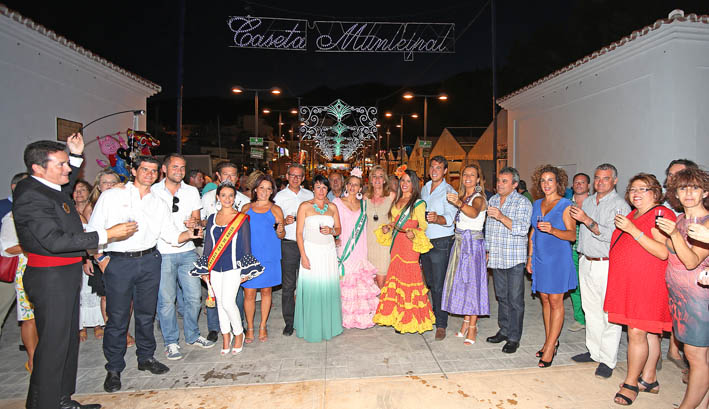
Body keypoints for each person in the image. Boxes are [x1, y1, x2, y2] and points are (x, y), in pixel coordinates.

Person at [14, 135, 137, 409]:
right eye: (62, 164)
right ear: (38, 168)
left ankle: (62, 399)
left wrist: (76, 154)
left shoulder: (48, 188)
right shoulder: (30, 195)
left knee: (67, 342)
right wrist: (105, 234)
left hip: (64, 275)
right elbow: (54, 241)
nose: (68, 170)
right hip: (49, 278)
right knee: (53, 346)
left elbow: (64, 189)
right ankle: (44, 404)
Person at [88, 155, 202, 393]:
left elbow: (171, 234)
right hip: (118, 261)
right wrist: (100, 259)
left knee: (146, 314)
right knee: (118, 318)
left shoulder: (158, 202)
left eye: (152, 171)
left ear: (158, 173)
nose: (149, 174)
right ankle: (114, 368)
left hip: (150, 260)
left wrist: (190, 234)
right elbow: (94, 230)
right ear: (134, 170)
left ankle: (146, 358)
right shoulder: (113, 196)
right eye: (144, 169)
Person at [603, 173, 675, 405]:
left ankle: (631, 383)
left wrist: (633, 230)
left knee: (636, 333)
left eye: (643, 189)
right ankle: (649, 379)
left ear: (655, 192)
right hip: (631, 283)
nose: (636, 193)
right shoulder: (633, 214)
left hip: (648, 284)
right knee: (650, 334)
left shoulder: (661, 214)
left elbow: (663, 251)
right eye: (633, 189)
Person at [570, 163, 630, 378]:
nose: (600, 182)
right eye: (597, 178)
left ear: (614, 181)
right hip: (586, 260)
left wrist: (586, 220)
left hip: (607, 263)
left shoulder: (619, 205)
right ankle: (594, 351)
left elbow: (614, 235)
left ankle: (608, 359)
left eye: (605, 178)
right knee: (590, 309)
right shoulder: (587, 201)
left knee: (608, 313)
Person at [152, 154, 214, 362]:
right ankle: (171, 341)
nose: (179, 171)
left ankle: (193, 335)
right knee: (167, 301)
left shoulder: (191, 192)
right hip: (162, 252)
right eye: (175, 167)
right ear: (164, 168)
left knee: (193, 297)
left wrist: (194, 224)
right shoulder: (153, 191)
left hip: (187, 250)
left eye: (182, 167)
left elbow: (197, 219)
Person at [657, 167, 709, 409]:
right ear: (675, 193)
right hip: (680, 298)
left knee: (696, 357)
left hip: (699, 300)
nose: (689, 193)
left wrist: (673, 237)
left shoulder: (706, 223)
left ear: (705, 191)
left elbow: (691, 261)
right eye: (683, 188)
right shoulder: (679, 220)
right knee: (699, 357)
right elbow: (669, 252)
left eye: (695, 187)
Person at [373, 168, 435, 333]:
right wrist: (388, 227)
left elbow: (423, 226)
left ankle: (409, 319)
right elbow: (394, 221)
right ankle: (397, 317)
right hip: (397, 243)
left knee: (408, 279)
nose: (404, 184)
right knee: (397, 277)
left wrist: (413, 232)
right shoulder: (397, 199)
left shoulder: (418, 204)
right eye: (402, 180)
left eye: (408, 181)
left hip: (409, 244)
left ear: (414, 184)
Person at [528, 165, 577, 367]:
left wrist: (554, 230)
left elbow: (572, 235)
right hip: (540, 257)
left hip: (557, 258)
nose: (546, 184)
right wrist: (530, 257)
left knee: (556, 300)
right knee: (545, 300)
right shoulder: (537, 203)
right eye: (543, 180)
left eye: (550, 180)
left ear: (558, 183)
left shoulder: (565, 205)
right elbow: (533, 232)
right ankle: (551, 340)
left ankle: (549, 347)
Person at [202, 182, 256, 355]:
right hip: (215, 267)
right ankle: (226, 336)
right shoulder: (212, 218)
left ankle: (238, 333)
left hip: (234, 267)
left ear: (235, 198)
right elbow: (208, 245)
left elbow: (246, 247)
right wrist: (204, 268)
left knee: (227, 302)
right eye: (223, 195)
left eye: (230, 195)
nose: (227, 199)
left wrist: (246, 270)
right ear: (218, 197)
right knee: (219, 303)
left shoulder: (241, 219)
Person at [485, 167, 533, 354]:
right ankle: (504, 330)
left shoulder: (523, 203)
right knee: (501, 297)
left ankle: (514, 337)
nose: (499, 184)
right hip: (496, 256)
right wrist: (488, 249)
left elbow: (522, 229)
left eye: (505, 181)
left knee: (515, 300)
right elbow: (489, 228)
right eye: (498, 180)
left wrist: (501, 216)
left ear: (514, 184)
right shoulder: (493, 200)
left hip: (514, 258)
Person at [442, 164, 488, 345]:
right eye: (465, 174)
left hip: (473, 246)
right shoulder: (464, 196)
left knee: (473, 285)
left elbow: (474, 212)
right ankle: (466, 322)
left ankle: (473, 327)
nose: (468, 177)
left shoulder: (479, 198)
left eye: (472, 175)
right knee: (462, 284)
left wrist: (458, 203)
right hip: (461, 244)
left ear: (478, 179)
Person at [293, 174, 343, 342]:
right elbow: (299, 233)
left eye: (324, 187)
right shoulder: (304, 207)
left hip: (328, 252)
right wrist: (303, 256)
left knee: (327, 287)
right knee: (312, 289)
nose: (321, 190)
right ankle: (312, 327)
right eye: (318, 187)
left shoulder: (332, 207)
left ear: (327, 189)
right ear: (312, 188)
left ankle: (329, 325)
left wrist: (332, 231)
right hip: (311, 251)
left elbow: (338, 229)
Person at [663, 159, 698, 374]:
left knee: (697, 348)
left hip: (695, 284)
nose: (675, 181)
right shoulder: (668, 207)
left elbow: (693, 260)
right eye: (672, 176)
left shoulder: (700, 217)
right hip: (673, 275)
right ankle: (674, 350)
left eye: (682, 176)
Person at [334, 168, 380, 329]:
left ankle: (361, 317)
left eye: (356, 185)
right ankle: (344, 316)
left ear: (361, 188)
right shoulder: (337, 203)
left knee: (360, 282)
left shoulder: (364, 203)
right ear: (346, 186)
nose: (353, 187)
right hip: (344, 246)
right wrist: (334, 237)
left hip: (360, 247)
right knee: (346, 281)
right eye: (350, 184)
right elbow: (330, 223)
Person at [241, 174, 285, 343]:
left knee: (267, 292)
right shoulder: (246, 208)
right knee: (249, 293)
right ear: (255, 189)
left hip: (269, 256)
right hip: (250, 256)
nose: (264, 192)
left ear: (272, 191)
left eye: (268, 189)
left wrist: (279, 227)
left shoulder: (276, 209)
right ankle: (250, 327)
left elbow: (281, 235)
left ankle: (263, 325)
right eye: (261, 188)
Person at [420, 156, 458, 340]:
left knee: (440, 284)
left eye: (439, 168)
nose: (434, 170)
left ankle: (441, 324)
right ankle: (434, 314)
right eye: (432, 167)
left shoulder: (449, 191)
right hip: (425, 241)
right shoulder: (425, 188)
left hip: (441, 242)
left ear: (445, 171)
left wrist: (438, 218)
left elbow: (450, 219)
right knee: (431, 283)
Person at [274, 164, 313, 336]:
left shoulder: (309, 195)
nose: (295, 178)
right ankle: (289, 322)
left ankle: (308, 318)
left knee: (308, 284)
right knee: (289, 286)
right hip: (288, 244)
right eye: (292, 175)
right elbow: (273, 222)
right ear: (287, 176)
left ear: (303, 178)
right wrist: (283, 220)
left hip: (308, 244)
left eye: (299, 176)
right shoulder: (279, 197)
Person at [72, 180, 105, 343]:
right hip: (75, 256)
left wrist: (89, 258)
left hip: (92, 255)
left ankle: (98, 324)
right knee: (79, 293)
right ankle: (81, 326)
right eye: (76, 190)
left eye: (83, 190)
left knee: (93, 291)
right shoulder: (68, 211)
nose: (79, 193)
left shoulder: (94, 208)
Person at [0, 172, 28, 342]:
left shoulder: (33, 208)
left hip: (27, 265)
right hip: (8, 265)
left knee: (29, 314)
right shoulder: (5, 209)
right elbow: (7, 247)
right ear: (14, 187)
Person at [365, 165, 395, 289]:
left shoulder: (391, 196)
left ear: (384, 180)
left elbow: (398, 218)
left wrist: (389, 226)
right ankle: (373, 308)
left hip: (383, 243)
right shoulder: (365, 197)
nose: (377, 179)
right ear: (371, 180)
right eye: (374, 176)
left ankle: (383, 307)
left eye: (380, 176)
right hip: (368, 242)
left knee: (382, 281)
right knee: (370, 282)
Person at [568, 172, 590, 333]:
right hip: (571, 250)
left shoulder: (594, 204)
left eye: (582, 182)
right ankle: (580, 318)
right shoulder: (567, 204)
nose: (579, 185)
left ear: (588, 186)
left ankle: (592, 319)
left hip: (591, 253)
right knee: (575, 286)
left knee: (591, 287)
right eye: (576, 182)